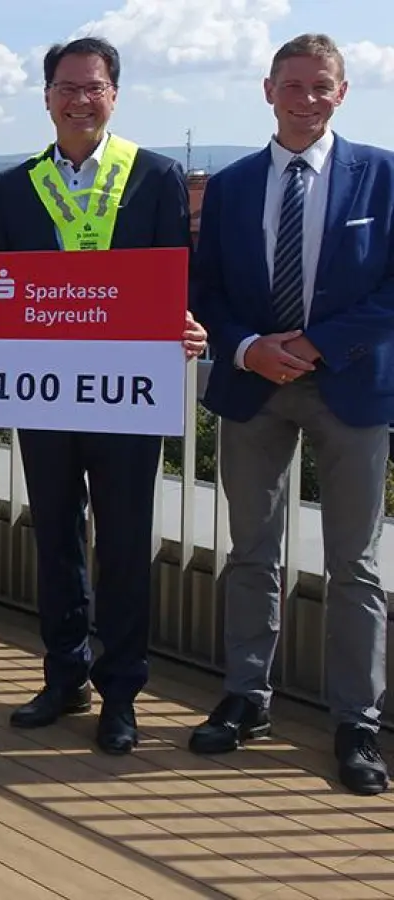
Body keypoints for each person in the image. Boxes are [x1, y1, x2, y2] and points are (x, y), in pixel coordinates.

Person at [0, 37, 207, 754]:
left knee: (120, 541)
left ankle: (121, 691)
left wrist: (187, 324)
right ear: (46, 96)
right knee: (54, 538)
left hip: (129, 392)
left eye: (94, 86)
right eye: (67, 86)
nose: (80, 99)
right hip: (43, 394)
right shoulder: (16, 188)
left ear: (115, 94)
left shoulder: (157, 176)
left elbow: (179, 280)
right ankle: (63, 674)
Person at [190, 33, 394, 795]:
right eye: (292, 85)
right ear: (267, 90)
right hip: (254, 389)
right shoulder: (235, 185)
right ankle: (246, 699)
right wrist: (247, 350)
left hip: (349, 386)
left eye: (321, 87)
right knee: (252, 552)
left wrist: (309, 345)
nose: (306, 99)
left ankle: (357, 723)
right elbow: (206, 291)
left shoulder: (383, 176)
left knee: (356, 565)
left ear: (343, 92)